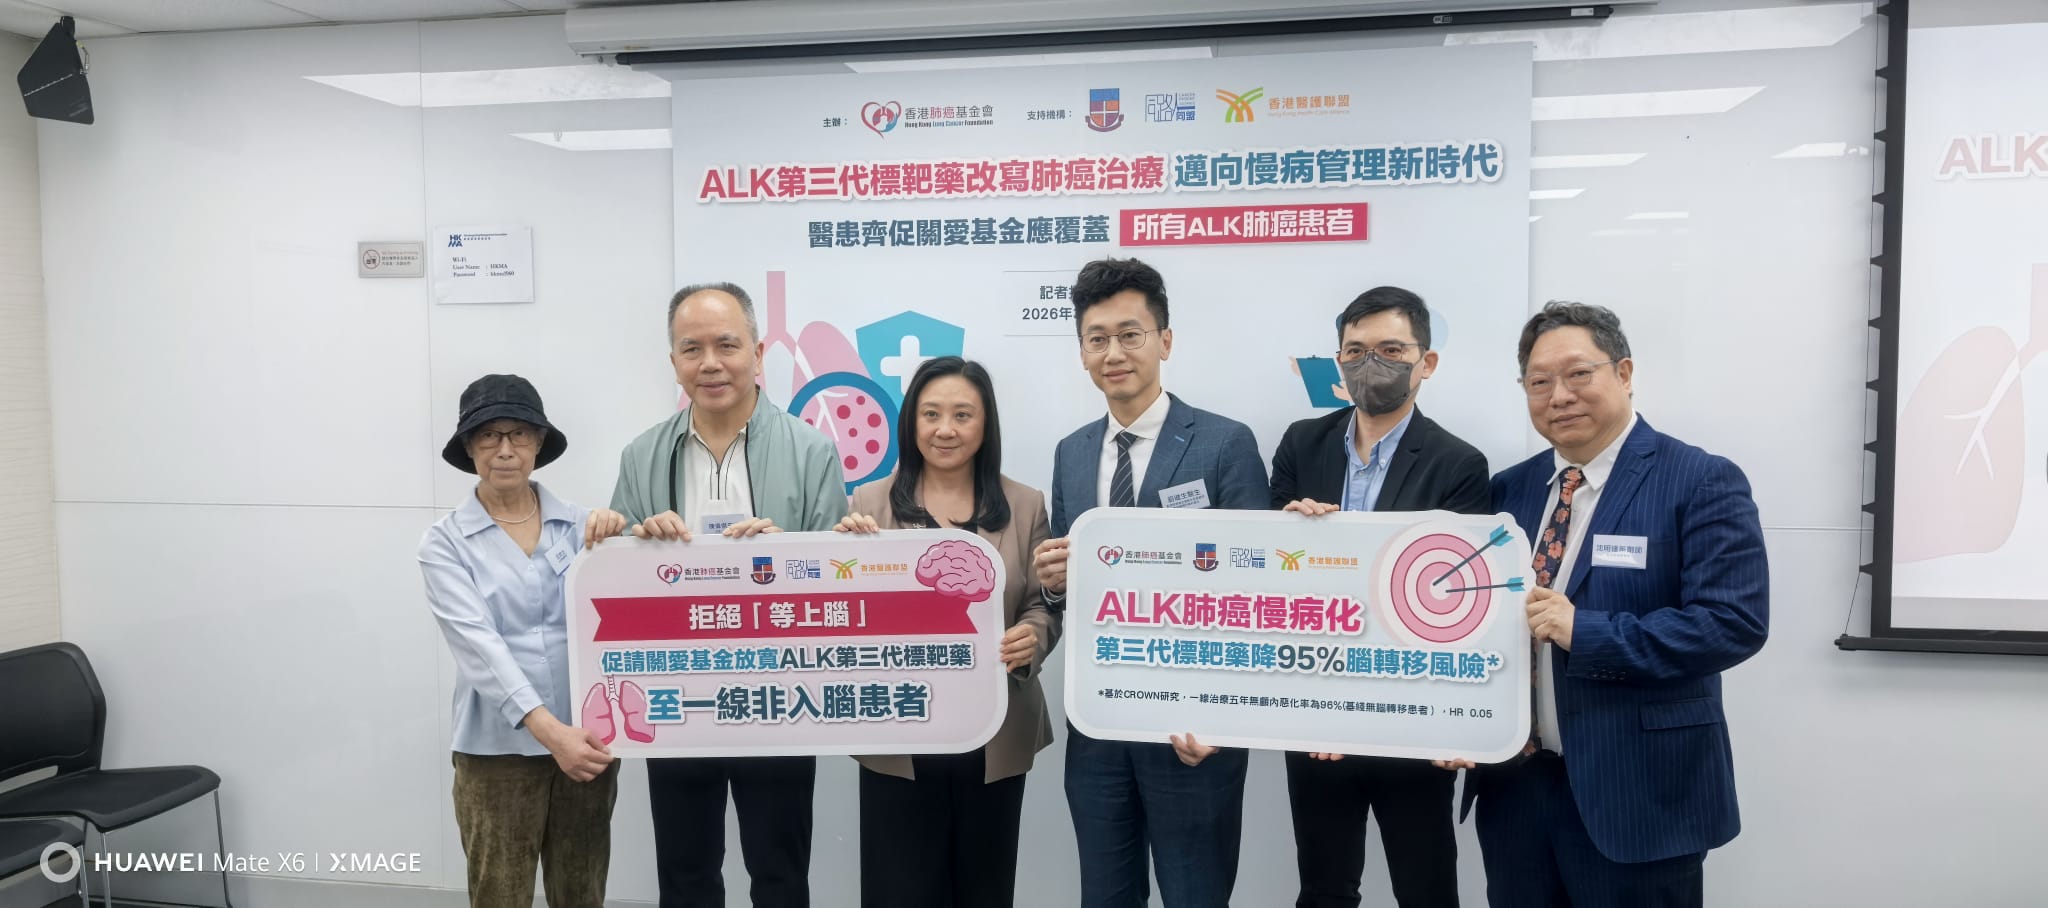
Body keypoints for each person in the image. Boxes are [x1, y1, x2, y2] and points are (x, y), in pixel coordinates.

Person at [1458, 301, 1769, 908]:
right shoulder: (1509, 489)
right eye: (1539, 382)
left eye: (1579, 374)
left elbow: (1733, 623)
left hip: (1640, 791)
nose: (1559, 396)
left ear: (1624, 373)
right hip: (1516, 788)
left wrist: (1586, 631)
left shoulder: (1699, 479)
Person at [1034, 257, 1268, 908]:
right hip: (1100, 725)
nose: (1114, 352)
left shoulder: (1225, 443)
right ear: (1082, 352)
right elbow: (1074, 585)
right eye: (1097, 338)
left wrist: (1222, 716)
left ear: (1164, 340)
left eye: (1130, 334)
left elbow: (1259, 593)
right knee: (1105, 896)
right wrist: (1055, 584)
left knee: (1196, 896)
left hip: (1192, 730)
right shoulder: (1072, 452)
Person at [609, 282, 851, 908]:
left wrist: (790, 556)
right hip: (677, 697)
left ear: (758, 352)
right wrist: (638, 541)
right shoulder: (641, 455)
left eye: (727, 345)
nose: (710, 363)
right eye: (692, 349)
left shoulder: (812, 451)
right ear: (674, 362)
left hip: (779, 697)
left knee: (780, 874)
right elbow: (613, 582)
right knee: (685, 874)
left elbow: (839, 584)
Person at [1269, 286, 1488, 908]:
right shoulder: (1300, 444)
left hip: (1412, 718)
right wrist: (1287, 534)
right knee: (1323, 887)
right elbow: (1271, 579)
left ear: (1427, 362)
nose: (1372, 364)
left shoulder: (1458, 463)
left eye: (1392, 350)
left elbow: (1461, 602)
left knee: (1426, 888)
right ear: (1338, 361)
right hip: (1316, 712)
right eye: (1356, 350)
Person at [832, 356, 1060, 908]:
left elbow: (1043, 601)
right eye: (931, 414)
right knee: (898, 890)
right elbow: (843, 608)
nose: (945, 429)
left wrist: (1033, 636)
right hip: (899, 732)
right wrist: (842, 557)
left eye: (963, 414)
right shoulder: (868, 503)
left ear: (986, 424)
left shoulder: (1025, 504)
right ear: (911, 422)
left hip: (995, 734)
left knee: (985, 889)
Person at [419, 373, 628, 907]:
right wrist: (550, 734)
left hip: (588, 742)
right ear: (470, 447)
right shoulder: (444, 543)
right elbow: (478, 646)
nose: (505, 450)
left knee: (582, 891)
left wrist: (632, 537)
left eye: (519, 434)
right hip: (497, 751)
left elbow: (628, 608)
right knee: (501, 894)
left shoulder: (584, 527)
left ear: (539, 442)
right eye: (489, 436)